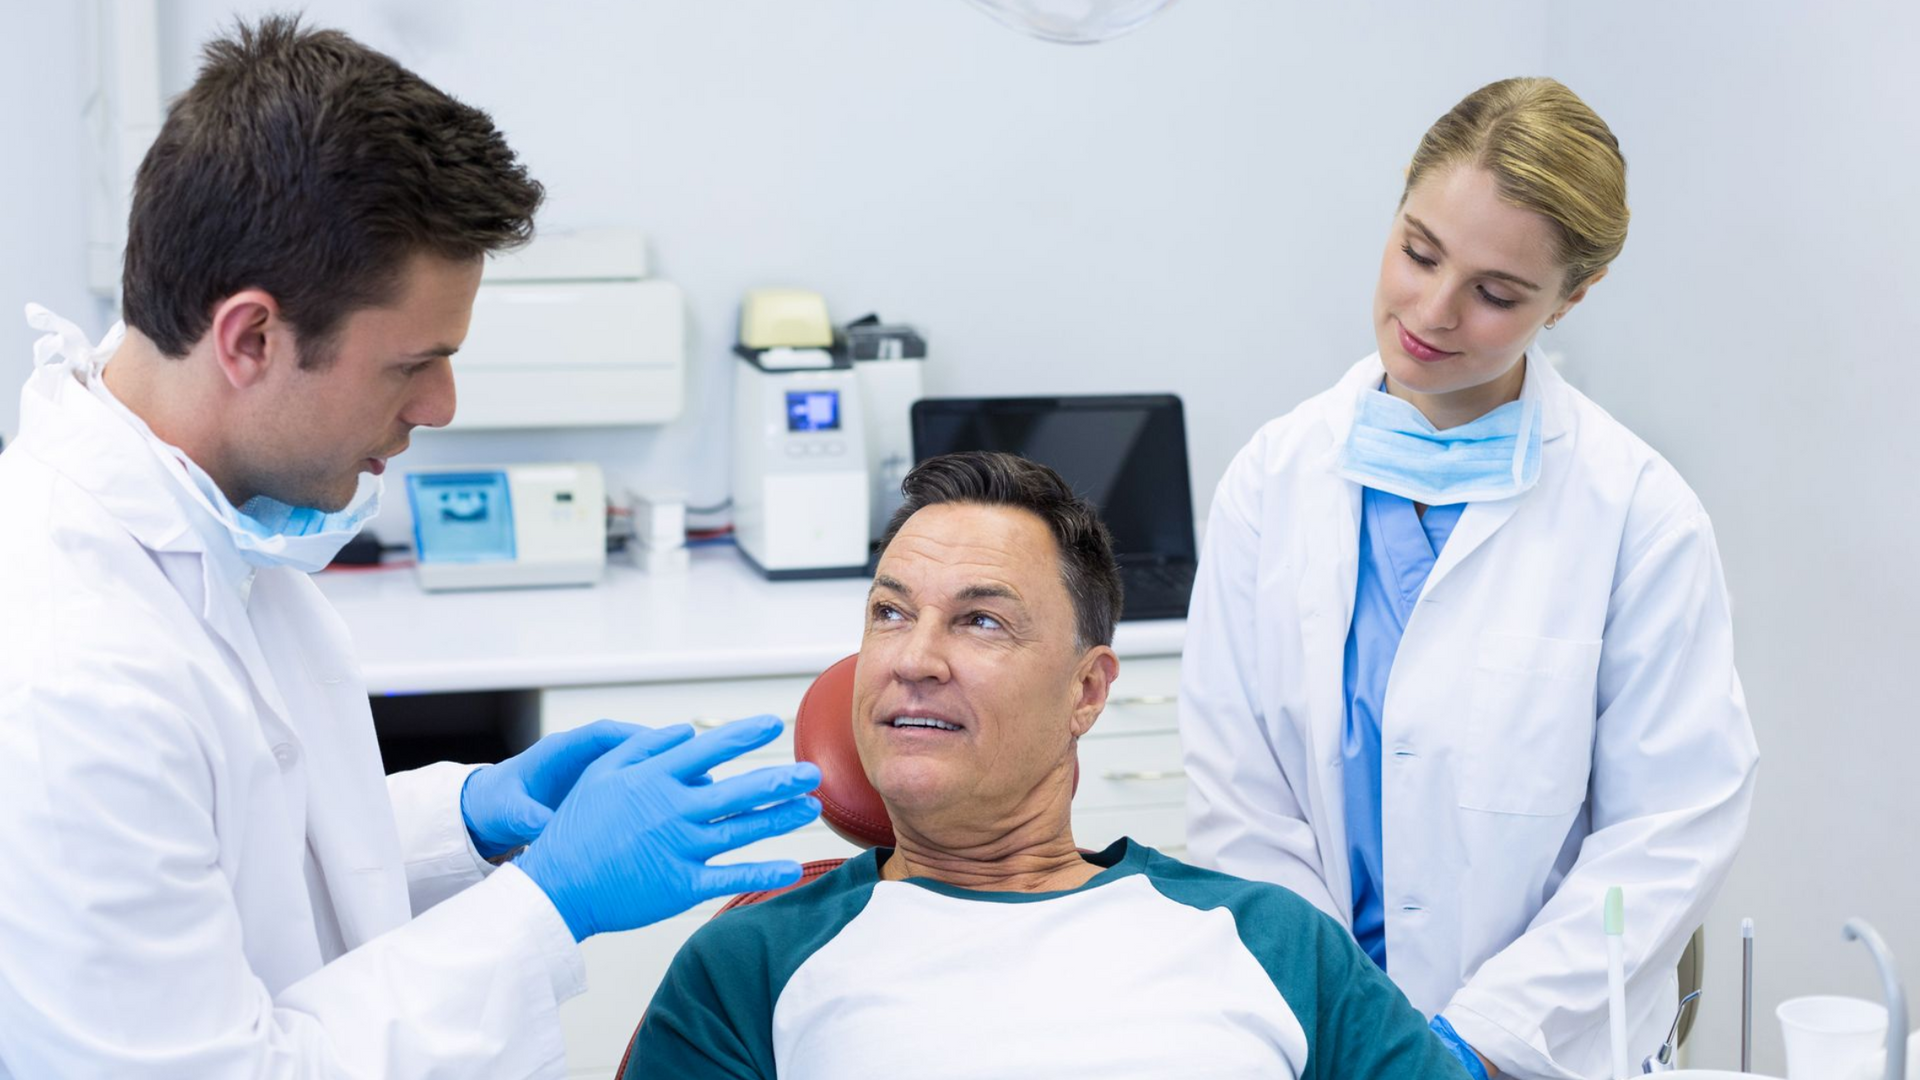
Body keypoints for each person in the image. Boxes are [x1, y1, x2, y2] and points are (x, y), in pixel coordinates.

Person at [0, 17, 820, 1078]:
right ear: (251, 337)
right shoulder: (67, 676)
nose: (440, 405)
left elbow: (233, 848)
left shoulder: (214, 525)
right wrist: (547, 905)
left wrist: (467, 820)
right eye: (413, 365)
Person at [1178, 77, 1759, 1080]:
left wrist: (1474, 1043)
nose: (1433, 312)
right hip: (1312, 1035)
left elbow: (1668, 832)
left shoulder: (1638, 516)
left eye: (1497, 294)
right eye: (1418, 251)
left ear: (1576, 295)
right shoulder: (1272, 482)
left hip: (1537, 1050)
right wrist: (1343, 1022)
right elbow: (1241, 802)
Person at [628, 452, 1470, 1079]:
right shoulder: (752, 963)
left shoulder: (1272, 941)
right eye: (890, 612)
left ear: (1087, 690)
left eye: (981, 621)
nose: (914, 657)